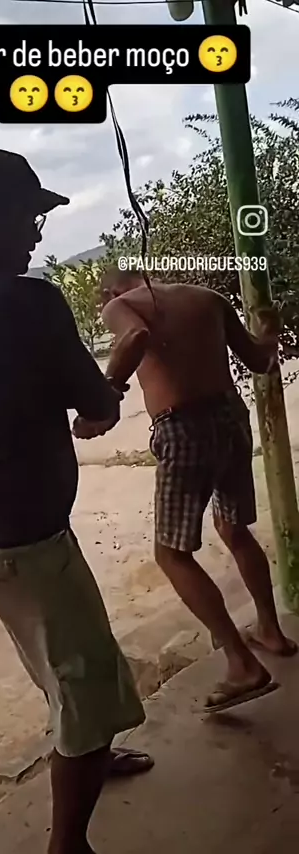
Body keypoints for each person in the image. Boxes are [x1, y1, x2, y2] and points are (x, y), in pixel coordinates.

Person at [0, 151, 153, 854]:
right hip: (25, 540)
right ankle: (67, 843)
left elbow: (9, 391)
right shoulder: (31, 300)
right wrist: (108, 393)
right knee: (88, 685)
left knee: (59, 667)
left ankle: (89, 755)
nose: (37, 233)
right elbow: (95, 405)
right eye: (31, 216)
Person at [75, 267, 297, 715]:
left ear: (110, 291)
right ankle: (271, 630)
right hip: (230, 418)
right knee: (233, 528)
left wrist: (106, 397)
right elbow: (259, 360)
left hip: (183, 427)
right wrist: (269, 334)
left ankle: (242, 664)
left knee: (172, 554)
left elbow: (135, 336)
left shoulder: (123, 306)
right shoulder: (206, 297)